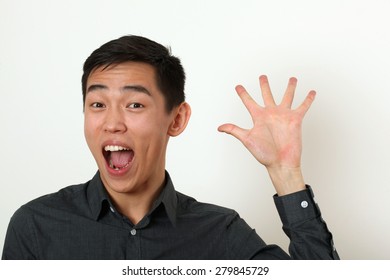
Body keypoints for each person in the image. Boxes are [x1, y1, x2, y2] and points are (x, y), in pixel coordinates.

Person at [2, 35, 339, 260]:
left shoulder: (220, 232)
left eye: (134, 105)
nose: (112, 123)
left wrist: (286, 174)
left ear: (176, 120)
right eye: (98, 104)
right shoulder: (36, 227)